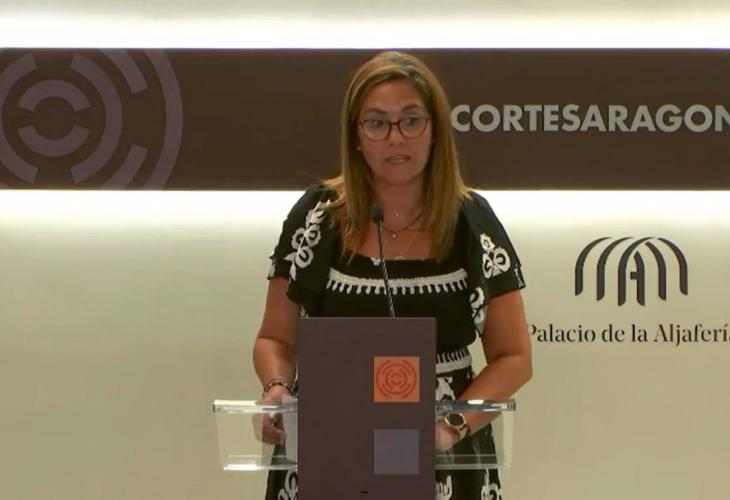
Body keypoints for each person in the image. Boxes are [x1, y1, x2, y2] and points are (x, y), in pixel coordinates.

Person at [252, 51, 532, 500]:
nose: (395, 137)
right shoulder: (316, 217)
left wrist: (450, 426)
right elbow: (275, 340)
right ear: (356, 136)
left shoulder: (471, 221)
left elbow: (514, 357)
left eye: (411, 120)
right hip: (329, 447)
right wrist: (276, 388)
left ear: (435, 129)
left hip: (440, 453)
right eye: (377, 123)